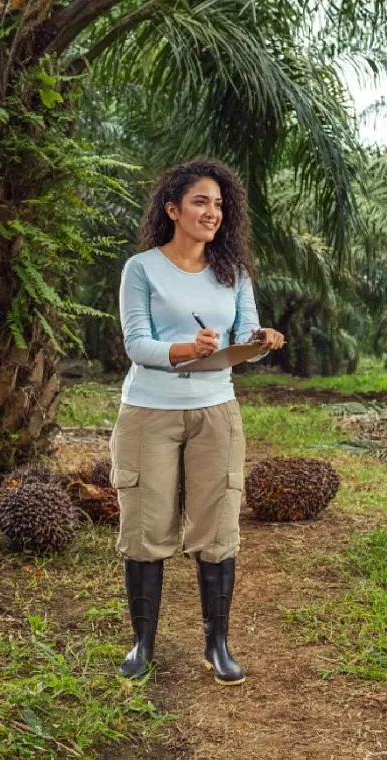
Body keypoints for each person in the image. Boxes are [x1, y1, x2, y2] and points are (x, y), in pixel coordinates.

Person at [111, 159, 286, 686]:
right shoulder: (141, 269)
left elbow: (244, 338)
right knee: (147, 525)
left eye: (218, 203)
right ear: (173, 210)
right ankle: (143, 644)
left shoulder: (233, 273)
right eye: (200, 202)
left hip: (216, 410)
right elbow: (136, 344)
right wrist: (187, 348)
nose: (213, 212)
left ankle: (218, 645)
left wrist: (260, 341)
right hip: (149, 410)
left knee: (217, 525)